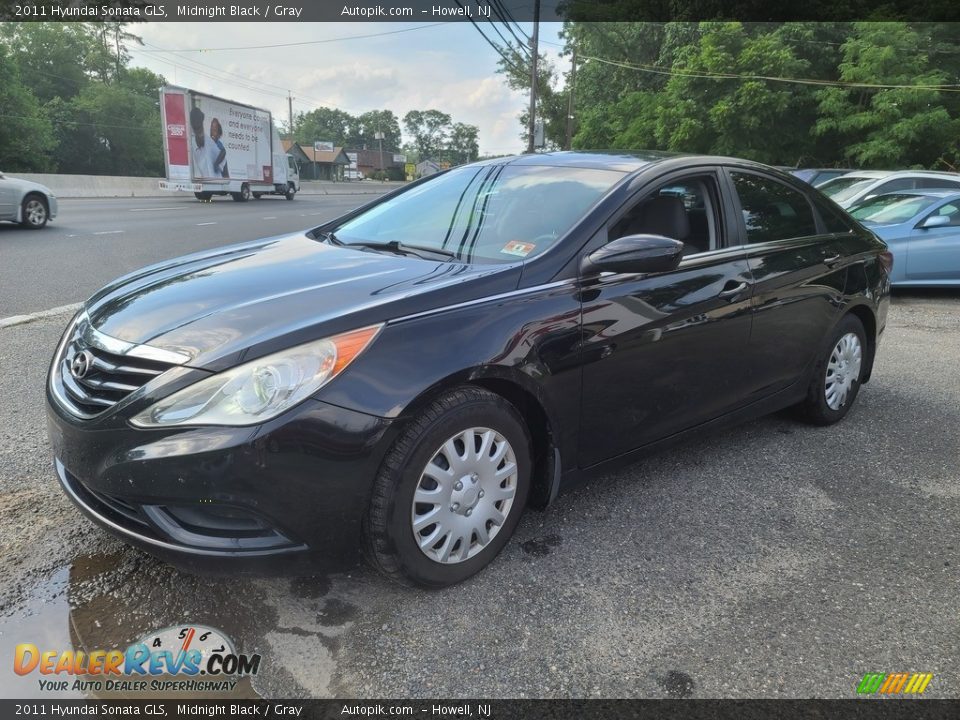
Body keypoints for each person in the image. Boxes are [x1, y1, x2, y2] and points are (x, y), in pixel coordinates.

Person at [189, 106, 217, 179]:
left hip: (212, 180)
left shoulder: (210, 142)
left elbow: (222, 161)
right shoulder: (190, 144)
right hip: (203, 180)